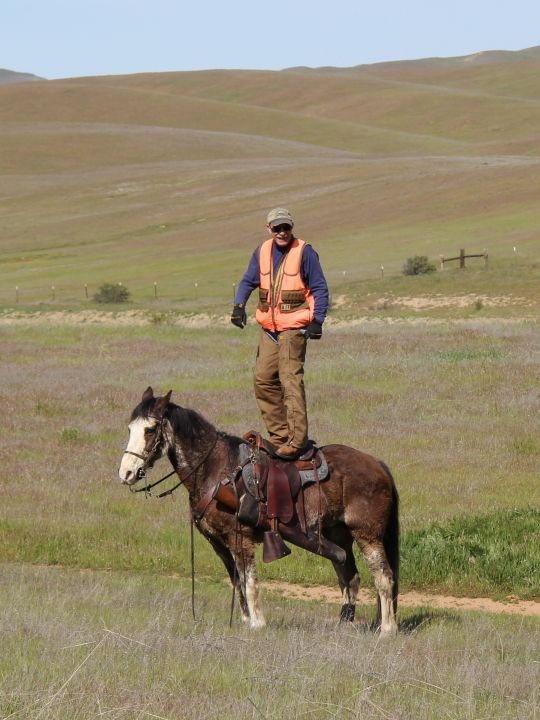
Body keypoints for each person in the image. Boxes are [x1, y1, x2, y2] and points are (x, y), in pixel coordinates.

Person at [231, 207, 329, 459]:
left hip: (294, 329)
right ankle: (279, 437)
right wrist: (238, 306)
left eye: (286, 227)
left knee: (290, 381)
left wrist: (317, 321)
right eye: (277, 228)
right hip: (269, 329)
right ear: (269, 229)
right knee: (262, 379)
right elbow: (247, 281)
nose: (282, 232)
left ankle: (297, 442)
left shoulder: (304, 252)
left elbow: (319, 287)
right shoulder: (262, 251)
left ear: (292, 227)